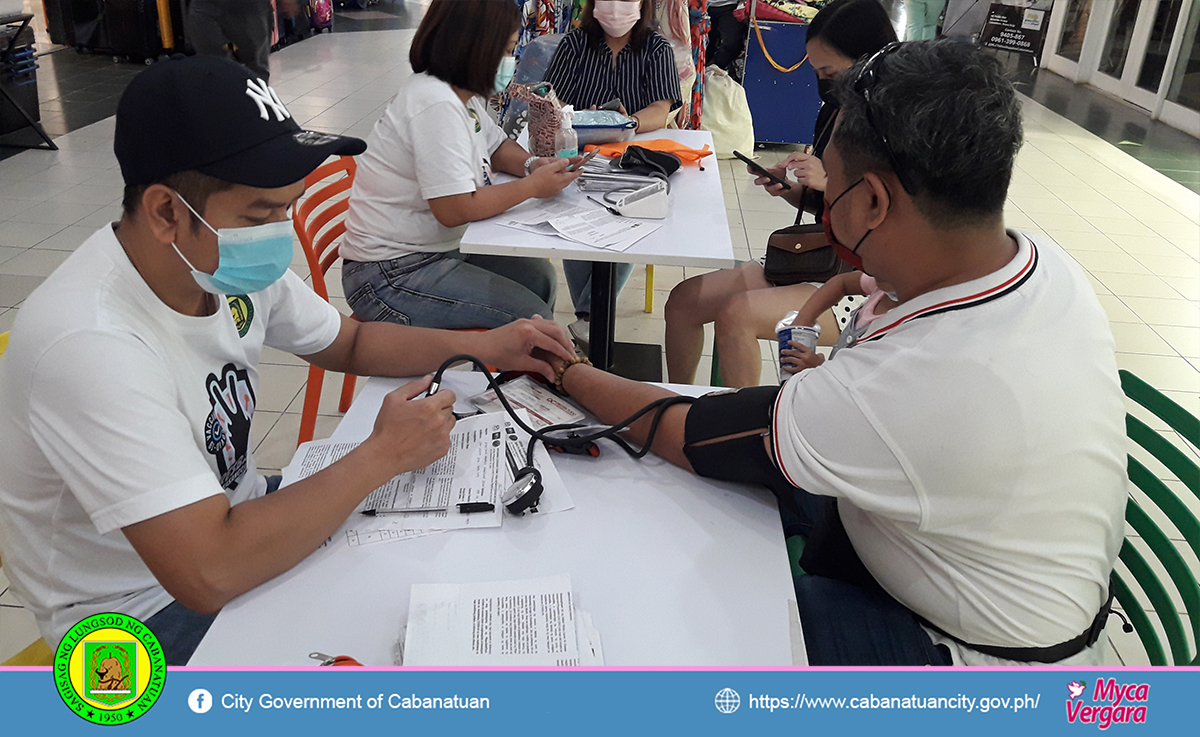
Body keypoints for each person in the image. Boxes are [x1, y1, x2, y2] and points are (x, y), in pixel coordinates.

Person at [537, 41, 1128, 666]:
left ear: (874, 201)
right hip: (998, 577)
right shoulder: (1032, 263)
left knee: (703, 627)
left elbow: (690, 433)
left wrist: (570, 370)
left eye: (833, 188)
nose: (826, 205)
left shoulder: (909, 384)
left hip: (969, 661)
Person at [0, 56, 577, 665]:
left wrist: (489, 344)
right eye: (261, 214)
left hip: (234, 514)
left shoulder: (218, 265)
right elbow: (208, 572)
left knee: (438, 554)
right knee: (394, 664)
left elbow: (349, 342)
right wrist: (380, 455)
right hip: (134, 621)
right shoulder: (90, 344)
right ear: (167, 211)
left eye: (287, 206)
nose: (281, 229)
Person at [663, 0, 896, 386]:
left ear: (867, 61)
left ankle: (743, 432)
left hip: (866, 281)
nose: (820, 80)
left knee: (737, 315)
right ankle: (680, 399)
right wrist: (793, 190)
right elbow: (824, 203)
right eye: (817, 69)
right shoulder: (836, 110)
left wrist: (829, 182)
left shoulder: (891, 124)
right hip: (816, 257)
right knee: (684, 301)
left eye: (828, 70)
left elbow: (886, 215)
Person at [340, 0, 581, 331]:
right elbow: (454, 208)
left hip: (437, 251)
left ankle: (515, 373)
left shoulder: (458, 96)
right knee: (529, 319)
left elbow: (495, 145)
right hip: (389, 274)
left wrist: (531, 165)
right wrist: (533, 187)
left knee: (538, 278)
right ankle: (520, 371)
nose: (510, 63)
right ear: (476, 47)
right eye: (508, 50)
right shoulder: (434, 103)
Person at [543, 0, 684, 348]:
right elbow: (553, 102)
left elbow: (662, 108)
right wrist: (583, 116)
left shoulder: (655, 47)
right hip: (580, 154)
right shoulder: (575, 44)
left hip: (634, 159)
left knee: (629, 220)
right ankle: (590, 319)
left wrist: (627, 123)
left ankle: (588, 318)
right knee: (573, 220)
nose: (617, 7)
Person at [778, 270, 897, 375]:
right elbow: (841, 283)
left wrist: (821, 368)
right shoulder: (881, 285)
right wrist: (803, 320)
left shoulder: (903, 331)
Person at [187, 0, 291, 82]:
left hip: (249, 9)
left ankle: (253, 106)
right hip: (205, 9)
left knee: (255, 71)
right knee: (215, 66)